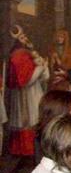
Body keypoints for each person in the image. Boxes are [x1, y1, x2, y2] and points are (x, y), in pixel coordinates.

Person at [6, 25, 49, 156]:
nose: (25, 39)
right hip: (25, 94)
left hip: (33, 91)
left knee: (35, 118)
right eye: (22, 38)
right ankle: (26, 149)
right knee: (28, 120)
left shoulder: (29, 53)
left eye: (25, 37)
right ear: (18, 40)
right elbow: (26, 79)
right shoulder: (18, 55)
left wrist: (43, 67)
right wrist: (41, 68)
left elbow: (43, 77)